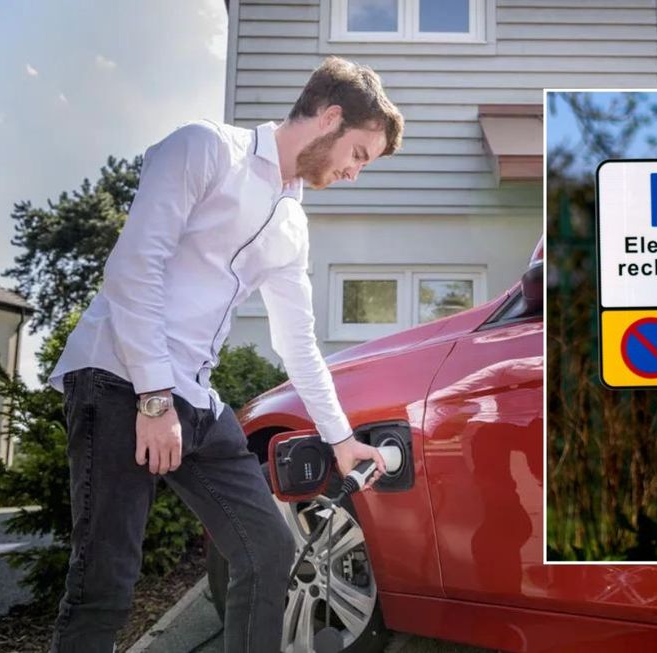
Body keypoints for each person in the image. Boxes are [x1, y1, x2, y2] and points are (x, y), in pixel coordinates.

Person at [46, 56, 404, 653]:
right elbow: (134, 268)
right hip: (117, 376)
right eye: (359, 155)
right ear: (331, 118)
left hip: (191, 397)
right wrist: (153, 397)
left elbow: (297, 341)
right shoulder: (206, 148)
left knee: (269, 548)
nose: (354, 173)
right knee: (105, 578)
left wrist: (341, 439)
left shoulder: (292, 222)